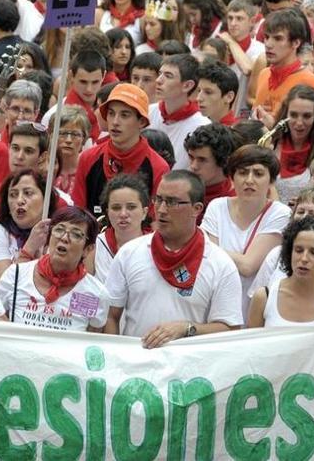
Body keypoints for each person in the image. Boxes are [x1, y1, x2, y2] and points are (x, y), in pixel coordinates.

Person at [104, 170, 243, 348]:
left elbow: (231, 329)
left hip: (189, 370)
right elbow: (110, 315)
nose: (161, 210)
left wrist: (187, 328)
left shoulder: (220, 264)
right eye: (159, 199)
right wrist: (117, 355)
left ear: (197, 209)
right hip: (136, 369)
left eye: (172, 202)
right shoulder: (129, 253)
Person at [201, 145, 291, 318]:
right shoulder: (217, 206)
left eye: (258, 173)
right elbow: (208, 262)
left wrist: (210, 247)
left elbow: (248, 266)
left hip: (252, 311)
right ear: (232, 178)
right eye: (242, 172)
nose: (249, 180)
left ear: (271, 181)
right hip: (213, 303)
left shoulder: (280, 213)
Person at [0, 206, 110, 331]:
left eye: (76, 234)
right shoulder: (16, 274)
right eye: (59, 230)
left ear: (87, 249)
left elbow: (91, 342)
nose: (64, 238)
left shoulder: (94, 293)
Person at [72, 83, 170, 216]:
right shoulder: (88, 158)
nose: (115, 121)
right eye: (111, 113)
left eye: (124, 115)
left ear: (141, 122)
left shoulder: (158, 167)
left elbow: (154, 223)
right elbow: (77, 215)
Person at [247, 215, 314, 327]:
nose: (304, 258)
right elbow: (251, 343)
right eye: (298, 250)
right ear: (289, 252)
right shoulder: (264, 298)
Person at [248, 185, 314, 297]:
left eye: (312, 214)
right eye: (301, 212)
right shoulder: (276, 254)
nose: (304, 217)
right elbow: (256, 298)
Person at [0, 170, 58, 285]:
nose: (19, 201)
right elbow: (3, 285)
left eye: (28, 193)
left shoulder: (59, 233)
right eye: (13, 195)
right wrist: (29, 249)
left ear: (46, 199)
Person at [254, 9, 314, 118]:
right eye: (266, 37)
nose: (268, 44)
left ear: (296, 43)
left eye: (278, 38)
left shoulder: (311, 81)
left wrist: (275, 128)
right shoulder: (264, 74)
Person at [148, 53, 210, 170]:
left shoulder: (202, 127)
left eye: (168, 76)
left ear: (187, 85)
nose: (158, 80)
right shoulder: (147, 112)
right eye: (160, 74)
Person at [268, 85, 314, 203]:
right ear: (285, 114)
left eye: (306, 116)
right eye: (293, 115)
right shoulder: (271, 144)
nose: (299, 122)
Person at [93, 174, 151, 284]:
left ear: (144, 212)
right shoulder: (94, 246)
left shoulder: (155, 246)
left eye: (131, 207)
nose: (123, 214)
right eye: (116, 208)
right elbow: (83, 292)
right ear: (107, 213)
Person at [184, 123, 238, 215]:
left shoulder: (236, 201)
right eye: (191, 157)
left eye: (202, 160)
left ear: (224, 161)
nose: (193, 166)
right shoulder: (181, 191)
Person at [196, 60, 240, 126]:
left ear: (229, 97)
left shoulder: (235, 133)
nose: (198, 98)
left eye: (208, 92)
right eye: (199, 90)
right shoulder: (199, 124)